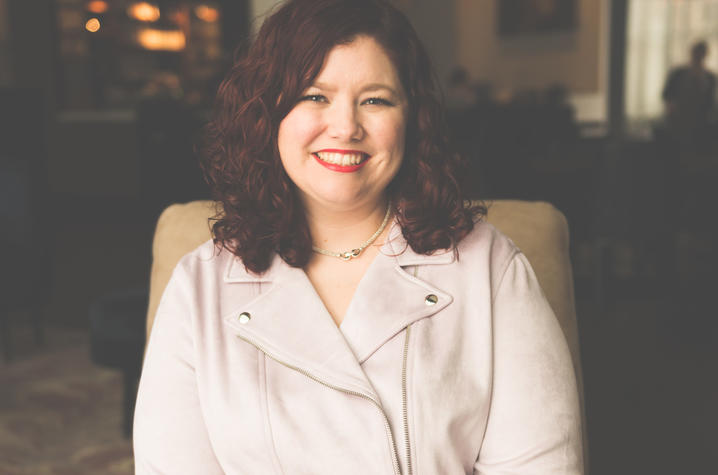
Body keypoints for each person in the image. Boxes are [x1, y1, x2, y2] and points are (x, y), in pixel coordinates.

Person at [132, 1, 583, 473]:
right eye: (314, 96)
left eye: (376, 99)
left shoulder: (490, 268)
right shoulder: (197, 287)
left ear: (413, 118)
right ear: (269, 113)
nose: (345, 127)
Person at [661, 40, 716, 151]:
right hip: (678, 119)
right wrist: (672, 110)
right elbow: (667, 95)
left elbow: (710, 101)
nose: (699, 56)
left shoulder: (710, 77)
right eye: (697, 53)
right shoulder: (679, 73)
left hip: (700, 121)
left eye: (701, 53)